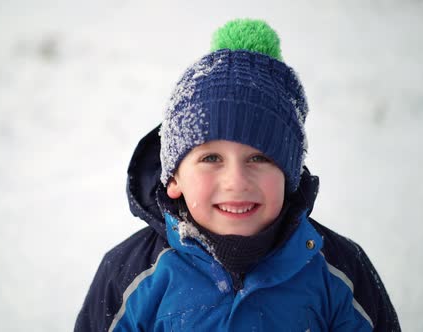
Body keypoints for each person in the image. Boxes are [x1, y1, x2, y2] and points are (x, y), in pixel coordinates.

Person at [75, 18, 401, 331]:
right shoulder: (130, 274)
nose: (236, 181)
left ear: (289, 176)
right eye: (211, 158)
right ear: (173, 178)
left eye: (259, 157)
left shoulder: (339, 271)